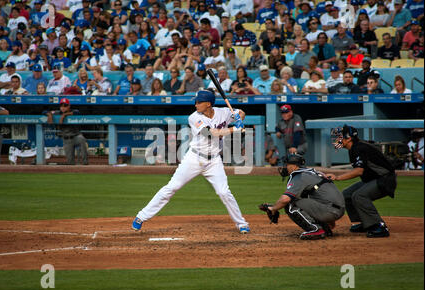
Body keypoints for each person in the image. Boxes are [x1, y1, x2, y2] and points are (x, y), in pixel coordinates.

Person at [131, 89, 250, 234]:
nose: (195, 104)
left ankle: (241, 224)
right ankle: (141, 217)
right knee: (172, 187)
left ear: (208, 104)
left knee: (224, 192)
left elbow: (241, 112)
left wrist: (239, 117)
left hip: (214, 161)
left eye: (199, 102)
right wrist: (234, 129)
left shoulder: (223, 112)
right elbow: (211, 133)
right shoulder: (194, 117)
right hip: (194, 159)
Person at [327, 125, 396, 238]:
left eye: (339, 137)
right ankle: (365, 223)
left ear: (348, 138)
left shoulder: (359, 148)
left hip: (385, 179)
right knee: (347, 194)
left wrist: (337, 177)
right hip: (374, 179)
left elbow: (358, 171)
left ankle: (379, 226)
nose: (337, 140)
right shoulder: (353, 149)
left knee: (359, 196)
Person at [259, 154, 345, 240]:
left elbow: (285, 199)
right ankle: (326, 229)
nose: (284, 167)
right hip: (336, 209)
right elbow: (325, 195)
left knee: (290, 203)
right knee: (301, 198)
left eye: (287, 164)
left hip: (330, 210)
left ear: (294, 166)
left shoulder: (299, 176)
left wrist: (273, 209)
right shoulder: (312, 172)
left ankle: (316, 229)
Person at [44, 98, 89, 166]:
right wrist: (49, 115)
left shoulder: (73, 111)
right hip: (66, 139)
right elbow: (44, 111)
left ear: (69, 106)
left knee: (82, 139)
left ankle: (85, 163)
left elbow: (78, 112)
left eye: (65, 105)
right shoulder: (57, 113)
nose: (63, 107)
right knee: (70, 163)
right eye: (61, 106)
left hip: (76, 136)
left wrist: (64, 115)